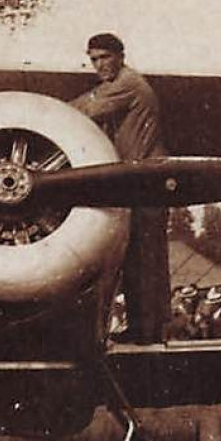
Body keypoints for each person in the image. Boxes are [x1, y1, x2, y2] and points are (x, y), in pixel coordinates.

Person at [68, 33, 169, 344]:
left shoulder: (128, 83)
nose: (99, 64)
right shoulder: (118, 86)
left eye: (104, 57)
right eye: (94, 59)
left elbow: (82, 109)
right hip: (135, 183)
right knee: (136, 257)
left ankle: (150, 331)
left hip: (146, 183)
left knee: (146, 257)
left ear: (120, 56)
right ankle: (143, 329)